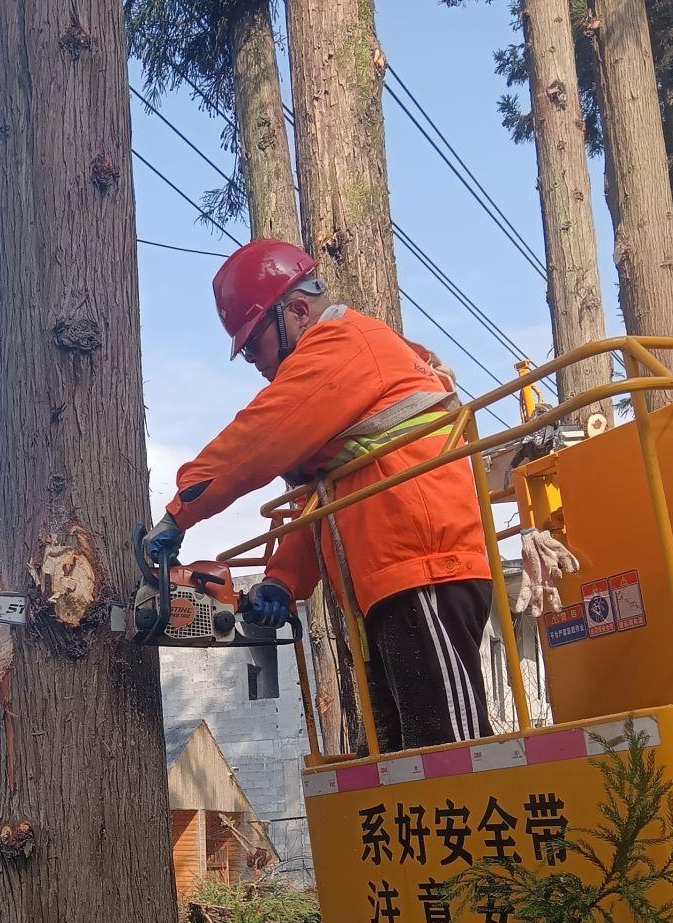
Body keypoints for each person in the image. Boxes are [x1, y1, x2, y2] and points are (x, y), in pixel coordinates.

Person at [143, 239, 503, 753]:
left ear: (294, 312)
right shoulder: (345, 370)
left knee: (451, 755)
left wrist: (180, 512)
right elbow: (330, 497)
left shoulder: (342, 344)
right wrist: (283, 581)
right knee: (406, 759)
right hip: (397, 577)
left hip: (425, 569)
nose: (252, 360)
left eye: (254, 344)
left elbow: (261, 437)